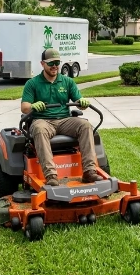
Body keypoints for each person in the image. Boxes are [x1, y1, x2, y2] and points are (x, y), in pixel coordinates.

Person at [20, 48, 104, 187]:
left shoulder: (67, 82)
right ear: (42, 64)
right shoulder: (32, 83)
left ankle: (89, 172)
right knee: (39, 129)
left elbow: (79, 102)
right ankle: (51, 175)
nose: (54, 66)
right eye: (51, 63)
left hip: (65, 120)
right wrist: (33, 105)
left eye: (57, 62)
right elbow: (24, 107)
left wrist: (83, 103)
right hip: (43, 120)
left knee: (85, 125)